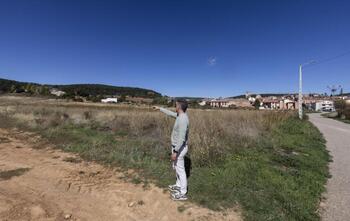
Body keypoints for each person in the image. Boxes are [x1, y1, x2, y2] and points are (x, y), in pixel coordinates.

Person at [153, 100, 189, 201]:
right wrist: (160, 109)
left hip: (179, 149)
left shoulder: (182, 119)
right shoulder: (180, 116)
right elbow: (171, 113)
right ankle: (178, 186)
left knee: (181, 170)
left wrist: (176, 151)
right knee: (177, 168)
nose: (175, 106)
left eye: (176, 105)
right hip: (177, 147)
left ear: (180, 107)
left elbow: (182, 138)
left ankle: (183, 193)